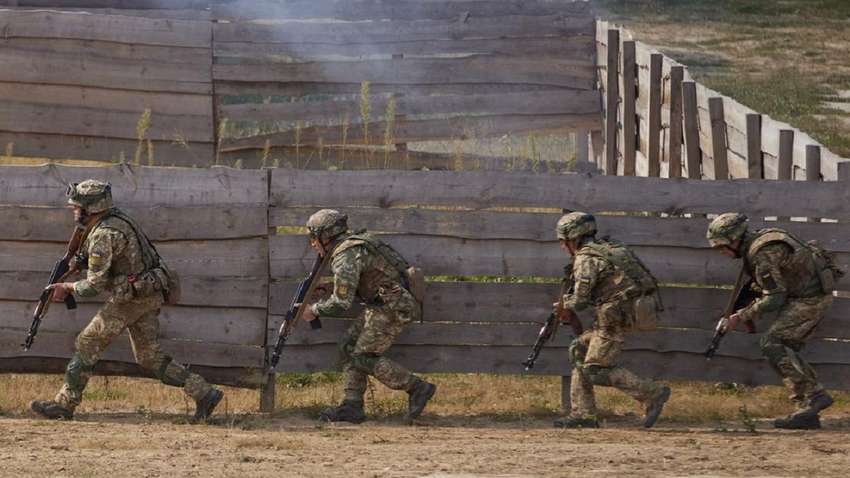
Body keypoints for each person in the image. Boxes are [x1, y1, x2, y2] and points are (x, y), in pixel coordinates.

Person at [30, 180, 223, 421]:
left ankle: (64, 405)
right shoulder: (116, 219)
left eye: (76, 206)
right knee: (148, 355)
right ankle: (205, 393)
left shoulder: (103, 235)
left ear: (90, 208)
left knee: (87, 342)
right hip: (147, 293)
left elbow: (93, 286)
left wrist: (67, 286)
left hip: (130, 299)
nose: (73, 210)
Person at [707, 213, 842, 429]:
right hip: (802, 295)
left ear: (735, 239)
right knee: (783, 347)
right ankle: (808, 410)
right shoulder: (759, 243)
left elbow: (776, 297)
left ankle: (814, 397)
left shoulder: (762, 254)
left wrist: (739, 317)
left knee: (772, 343)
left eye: (722, 246)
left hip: (810, 298)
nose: (721, 252)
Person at [300, 209, 436, 424]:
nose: (312, 243)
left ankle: (417, 387)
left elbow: (341, 303)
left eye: (313, 237)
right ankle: (352, 406)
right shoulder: (354, 244)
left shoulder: (345, 254)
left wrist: (314, 310)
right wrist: (329, 286)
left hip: (392, 307)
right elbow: (361, 279)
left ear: (325, 236)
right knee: (348, 345)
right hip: (384, 304)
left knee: (362, 357)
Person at [553, 212, 671, 429]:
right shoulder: (609, 248)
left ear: (573, 238)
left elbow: (580, 300)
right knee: (579, 349)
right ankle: (583, 414)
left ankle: (652, 393)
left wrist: (563, 306)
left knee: (595, 369)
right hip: (626, 311)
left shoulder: (586, 258)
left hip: (614, 316)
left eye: (562, 241)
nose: (562, 247)